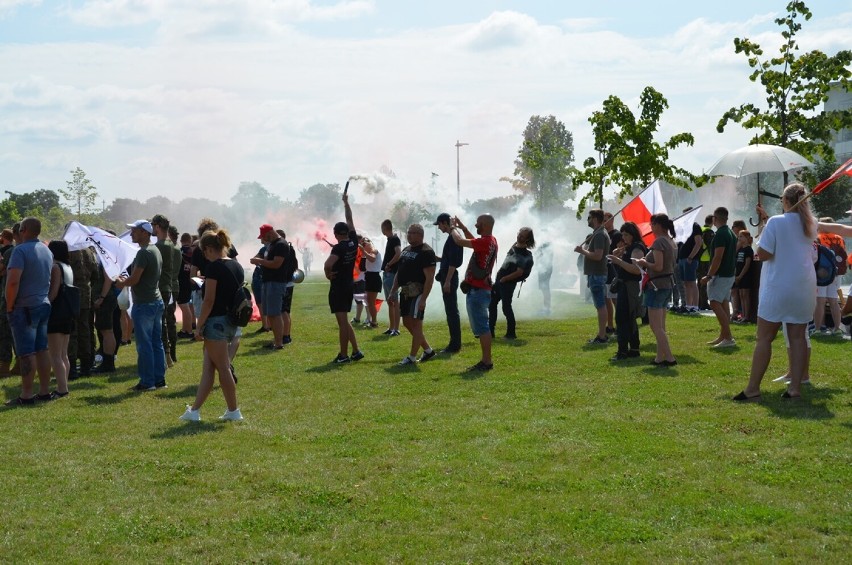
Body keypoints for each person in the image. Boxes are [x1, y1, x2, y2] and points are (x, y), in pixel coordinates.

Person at [734, 183, 817, 401]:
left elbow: (765, 254)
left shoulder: (776, 222)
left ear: (786, 201)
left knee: (764, 337)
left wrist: (762, 234)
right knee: (798, 337)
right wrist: (766, 221)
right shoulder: (809, 223)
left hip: (779, 286)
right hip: (804, 286)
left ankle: (753, 388)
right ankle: (795, 388)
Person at [180, 229, 244, 422]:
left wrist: (198, 326)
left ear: (208, 249)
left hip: (217, 322)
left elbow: (208, 300)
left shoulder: (214, 268)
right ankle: (194, 411)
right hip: (230, 322)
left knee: (223, 368)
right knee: (209, 367)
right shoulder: (236, 265)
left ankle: (234, 411)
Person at [4, 217, 54, 405]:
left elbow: (13, 281)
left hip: (24, 306)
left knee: (26, 353)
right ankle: (43, 391)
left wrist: (9, 305)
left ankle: (26, 395)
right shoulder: (45, 249)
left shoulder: (20, 251)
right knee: (42, 349)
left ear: (23, 230)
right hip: (43, 303)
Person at [115, 219, 166, 391]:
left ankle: (147, 382)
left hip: (144, 304)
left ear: (144, 233)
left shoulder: (143, 253)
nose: (131, 234)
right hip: (156, 301)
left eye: (134, 231)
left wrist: (122, 282)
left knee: (144, 345)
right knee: (156, 342)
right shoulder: (155, 249)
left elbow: (135, 279)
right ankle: (159, 380)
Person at [451, 214, 498, 371]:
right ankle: (486, 360)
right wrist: (463, 228)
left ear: (484, 224)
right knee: (482, 326)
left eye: (478, 224)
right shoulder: (491, 241)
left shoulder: (485, 242)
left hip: (478, 291)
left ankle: (487, 361)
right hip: (480, 290)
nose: (476, 226)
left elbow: (459, 241)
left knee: (483, 328)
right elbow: (473, 242)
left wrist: (452, 228)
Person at [388, 224, 437, 365]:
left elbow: (429, 278)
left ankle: (412, 357)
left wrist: (423, 299)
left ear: (420, 234)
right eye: (408, 232)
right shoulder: (406, 250)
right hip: (405, 292)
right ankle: (428, 350)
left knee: (416, 325)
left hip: (417, 293)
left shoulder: (426, 252)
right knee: (407, 323)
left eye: (412, 233)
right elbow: (399, 272)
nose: (408, 235)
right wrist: (392, 290)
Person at [324, 193, 363, 364]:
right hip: (349, 284)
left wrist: (327, 273)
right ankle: (356, 351)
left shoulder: (338, 248)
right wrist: (346, 203)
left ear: (335, 234)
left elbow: (327, 264)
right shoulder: (353, 241)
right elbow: (350, 218)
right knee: (345, 321)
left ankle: (343, 355)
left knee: (342, 323)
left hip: (339, 286)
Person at [634, 214, 677, 366]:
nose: (650, 227)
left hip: (656, 285)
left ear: (658, 225)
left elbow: (658, 266)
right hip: (666, 284)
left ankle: (670, 358)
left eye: (652, 224)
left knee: (655, 326)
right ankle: (660, 357)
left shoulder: (659, 242)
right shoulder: (671, 241)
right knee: (661, 325)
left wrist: (644, 262)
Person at [606, 222, 647, 361]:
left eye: (626, 234)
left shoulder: (637, 248)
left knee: (623, 318)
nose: (624, 237)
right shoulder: (630, 247)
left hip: (631, 286)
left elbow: (636, 270)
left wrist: (619, 261)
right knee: (628, 319)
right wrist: (618, 255)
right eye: (623, 234)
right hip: (626, 285)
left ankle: (623, 351)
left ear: (633, 234)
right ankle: (633, 349)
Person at [700, 207, 737, 348]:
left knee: (714, 302)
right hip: (728, 274)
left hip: (721, 275)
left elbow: (718, 256)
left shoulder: (721, 234)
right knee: (723, 303)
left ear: (715, 218)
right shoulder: (730, 233)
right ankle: (724, 336)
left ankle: (728, 337)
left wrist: (709, 275)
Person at [489, 227, 535, 340]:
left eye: (522, 236)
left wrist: (505, 279)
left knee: (506, 307)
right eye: (519, 234)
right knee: (492, 304)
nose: (519, 237)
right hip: (500, 282)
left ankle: (511, 333)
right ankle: (490, 332)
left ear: (527, 239)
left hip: (507, 284)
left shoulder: (524, 254)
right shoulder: (514, 247)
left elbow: (519, 272)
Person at [249, 224, 290, 350]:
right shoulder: (272, 245)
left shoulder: (281, 245)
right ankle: (276, 340)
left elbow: (276, 264)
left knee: (275, 313)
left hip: (276, 282)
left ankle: (279, 343)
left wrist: (259, 262)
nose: (263, 239)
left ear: (270, 233)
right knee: (270, 313)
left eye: (264, 236)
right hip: (268, 282)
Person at [574, 209, 611, 344]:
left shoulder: (600, 234)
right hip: (596, 274)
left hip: (597, 274)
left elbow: (598, 255)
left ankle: (602, 336)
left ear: (595, 219)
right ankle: (601, 334)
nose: (587, 220)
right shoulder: (598, 233)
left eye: (589, 218)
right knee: (600, 305)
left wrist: (581, 251)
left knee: (600, 306)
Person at [151, 215, 180, 365]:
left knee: (161, 323)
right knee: (170, 321)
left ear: (157, 227)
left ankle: (165, 355)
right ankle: (171, 353)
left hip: (162, 287)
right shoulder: (174, 246)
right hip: (172, 286)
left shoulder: (160, 246)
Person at [46, 240, 73, 398]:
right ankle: (64, 384)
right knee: (63, 354)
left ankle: (62, 389)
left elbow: (54, 292)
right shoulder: (68, 267)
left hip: (57, 312)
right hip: (67, 312)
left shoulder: (56, 267)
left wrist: (45, 303)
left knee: (55, 354)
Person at [434, 212, 464, 353]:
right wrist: (438, 259)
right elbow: (448, 259)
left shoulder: (453, 237)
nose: (439, 228)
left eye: (439, 224)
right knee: (451, 310)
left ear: (444, 223)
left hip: (449, 277)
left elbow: (453, 262)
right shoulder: (452, 237)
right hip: (448, 275)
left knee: (452, 311)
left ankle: (455, 344)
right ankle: (454, 342)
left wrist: (447, 281)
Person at [813, 217, 845, 335]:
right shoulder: (840, 238)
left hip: (823, 273)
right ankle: (837, 328)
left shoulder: (818, 238)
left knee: (820, 300)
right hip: (836, 274)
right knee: (833, 301)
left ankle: (818, 328)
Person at [380, 219, 402, 336]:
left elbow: (398, 253)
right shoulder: (390, 239)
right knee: (390, 302)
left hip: (392, 273)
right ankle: (391, 327)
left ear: (385, 228)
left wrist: (389, 264)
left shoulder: (394, 239)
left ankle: (396, 329)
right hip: (387, 274)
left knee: (395, 301)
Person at [676, 218, 703, 314]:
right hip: (682, 258)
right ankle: (688, 305)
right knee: (686, 283)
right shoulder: (685, 228)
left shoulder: (695, 226)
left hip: (690, 259)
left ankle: (695, 306)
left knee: (692, 282)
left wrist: (691, 257)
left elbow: (698, 243)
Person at [0, 227, 16, 377]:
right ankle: (19, 364)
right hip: (20, 297)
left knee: (5, 332)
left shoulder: (9, 252)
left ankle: (4, 365)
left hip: (8, 296)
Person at [603, 212, 621, 335]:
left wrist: (613, 256)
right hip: (605, 270)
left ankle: (620, 325)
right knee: (606, 299)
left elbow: (620, 251)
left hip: (614, 270)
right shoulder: (604, 234)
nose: (604, 223)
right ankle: (609, 325)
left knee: (615, 299)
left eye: (605, 220)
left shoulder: (617, 235)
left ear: (612, 220)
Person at [176, 232, 195, 338]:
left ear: (181, 241)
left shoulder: (180, 251)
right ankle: (185, 329)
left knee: (184, 306)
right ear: (190, 240)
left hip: (181, 280)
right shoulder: (192, 252)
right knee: (185, 305)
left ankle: (188, 331)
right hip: (189, 280)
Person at [733, 230, 755, 323]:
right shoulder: (740, 249)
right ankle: (743, 315)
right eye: (739, 237)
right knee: (741, 295)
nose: (739, 238)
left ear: (746, 238)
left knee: (745, 296)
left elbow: (747, 264)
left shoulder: (748, 249)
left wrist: (741, 276)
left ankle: (747, 316)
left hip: (745, 276)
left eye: (741, 236)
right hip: (738, 276)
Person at [361, 235, 382, 329]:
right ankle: (373, 320)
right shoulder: (367, 253)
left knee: (371, 302)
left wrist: (363, 251)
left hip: (374, 277)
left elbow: (372, 259)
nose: (364, 245)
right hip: (369, 277)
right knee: (369, 301)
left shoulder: (374, 251)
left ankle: (374, 321)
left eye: (365, 244)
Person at [698, 214, 715, 310]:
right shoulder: (709, 232)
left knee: (699, 282)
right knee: (704, 282)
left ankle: (699, 302)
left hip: (699, 259)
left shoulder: (700, 229)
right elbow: (711, 247)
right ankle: (704, 303)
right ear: (712, 221)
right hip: (705, 260)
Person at [535, 242, 554, 316]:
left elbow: (540, 256)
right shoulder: (546, 249)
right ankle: (546, 307)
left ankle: (547, 308)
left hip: (545, 270)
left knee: (545, 289)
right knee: (544, 289)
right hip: (544, 269)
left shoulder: (546, 251)